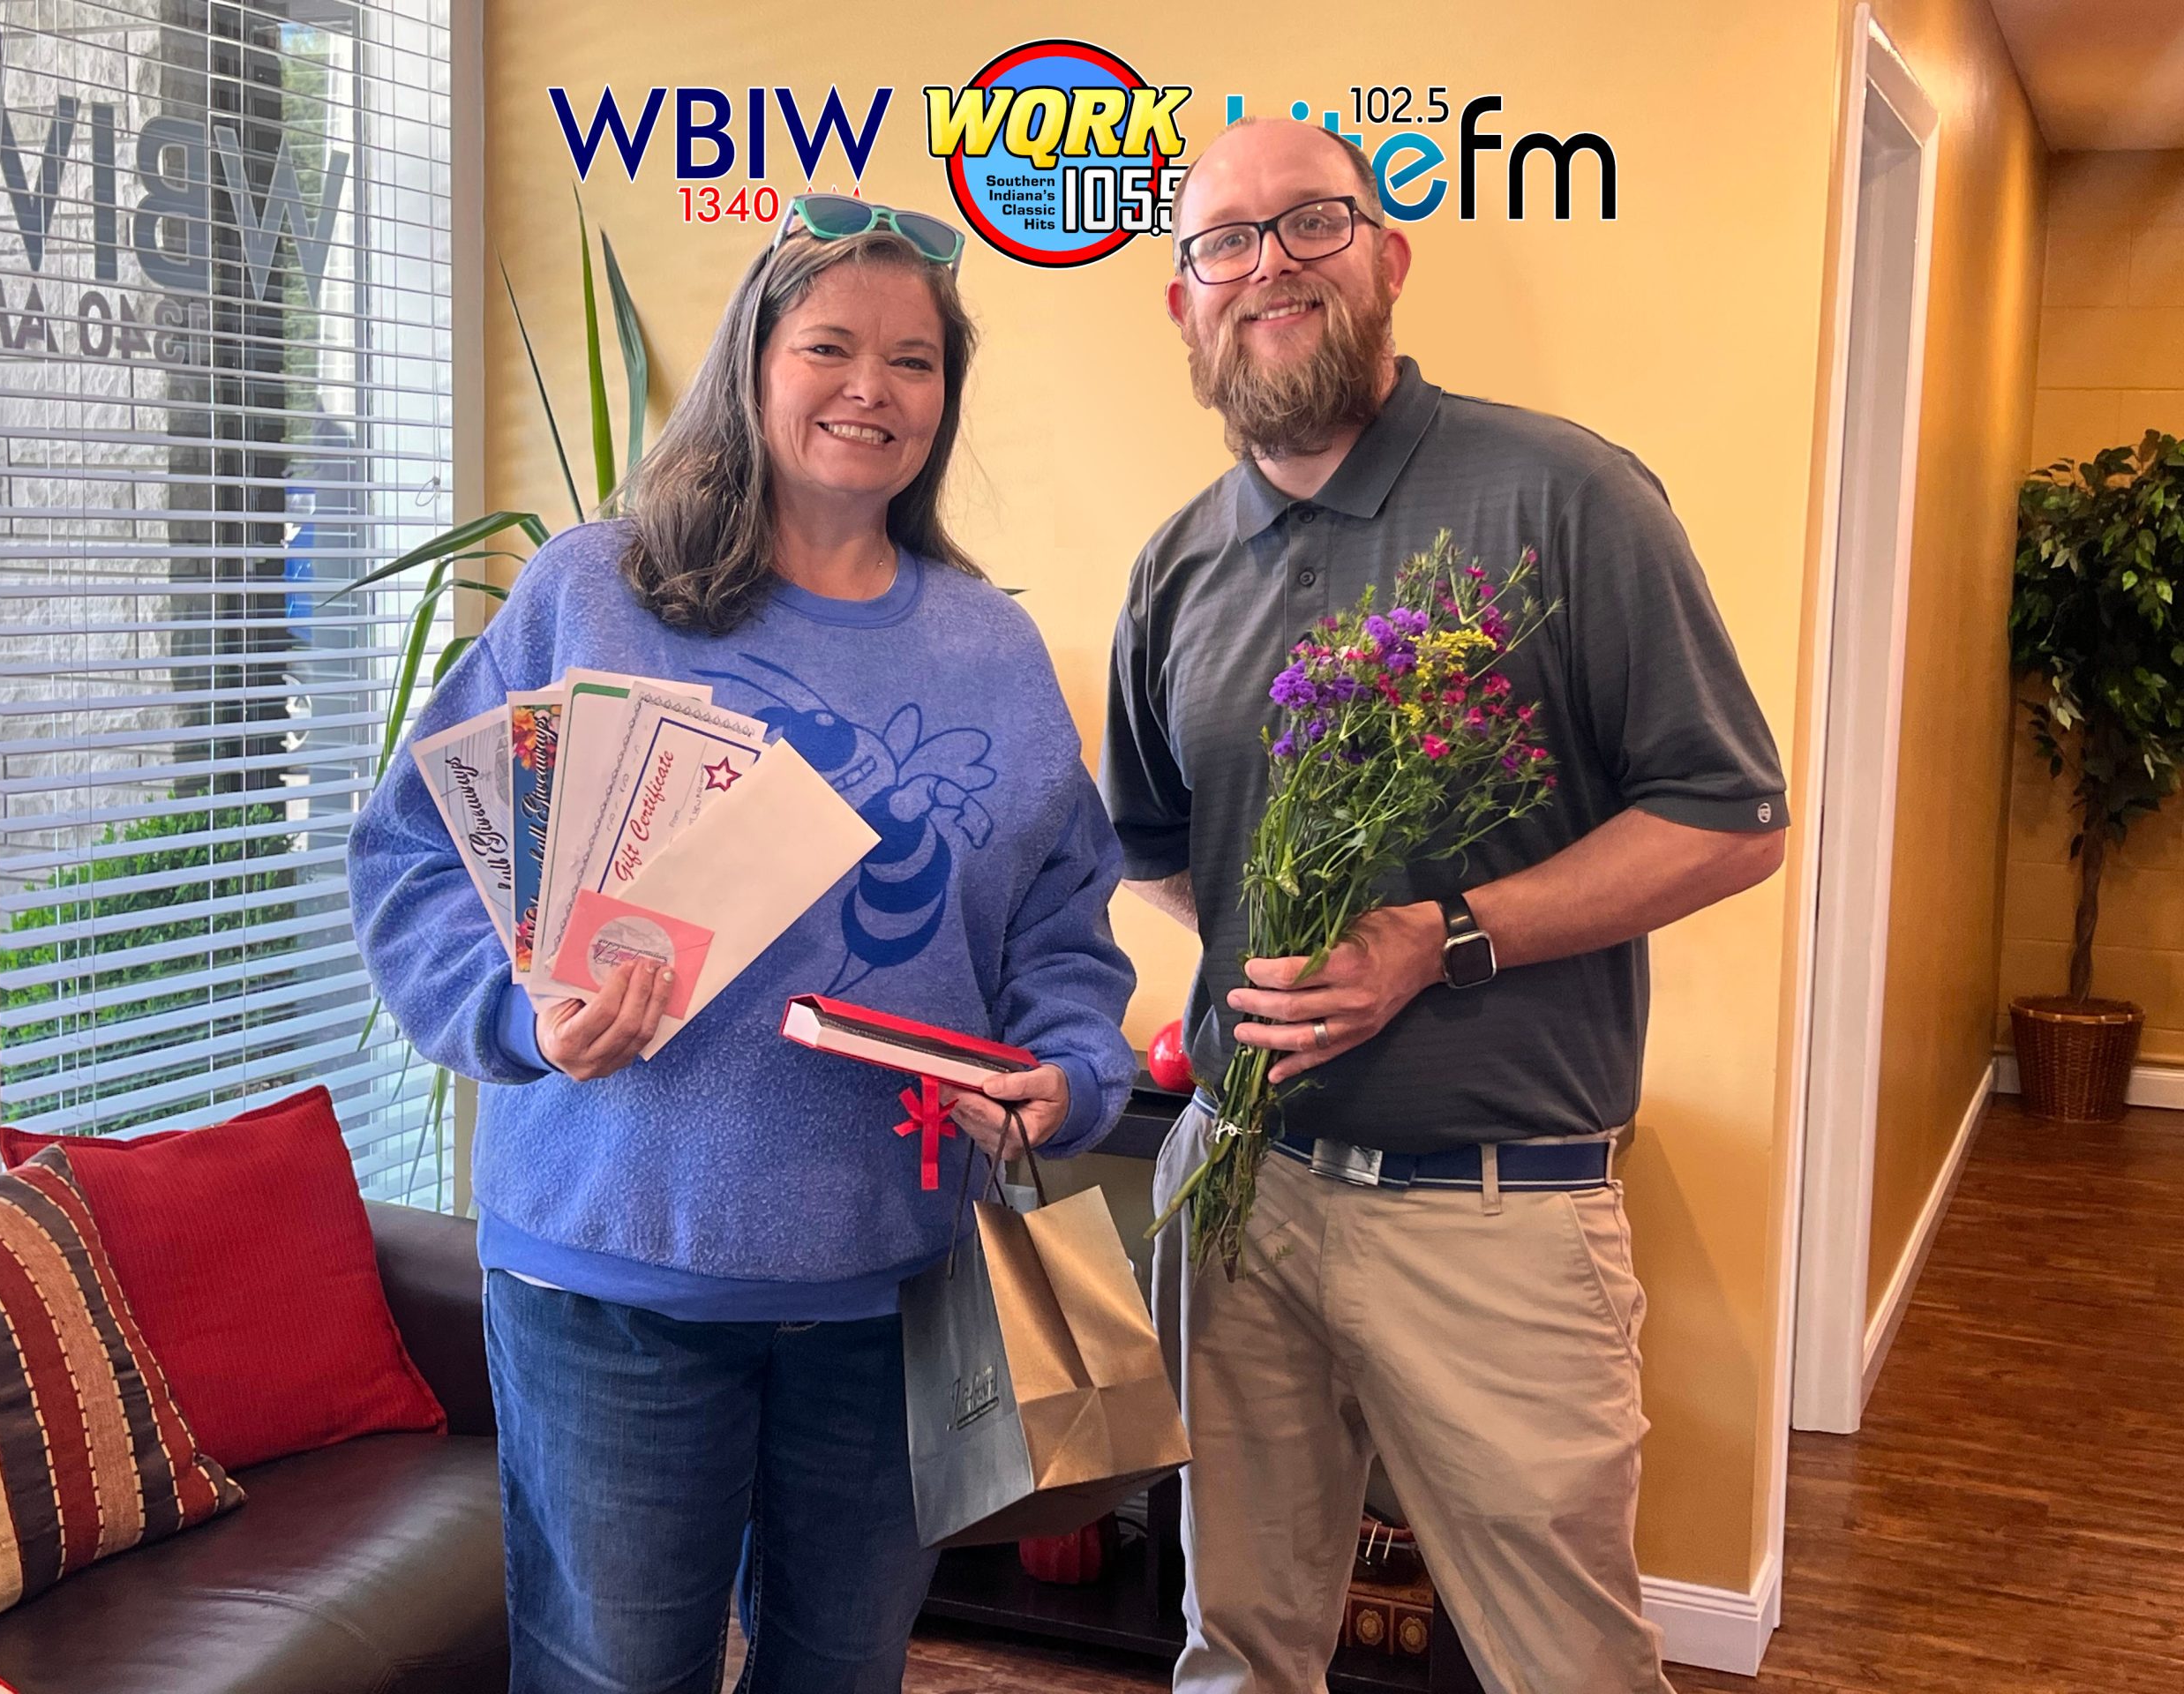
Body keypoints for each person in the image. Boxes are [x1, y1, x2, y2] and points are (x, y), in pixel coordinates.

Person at [349, 198, 1137, 1694]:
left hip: (893, 1281)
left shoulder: (991, 646)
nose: (870, 388)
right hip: (610, 1277)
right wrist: (517, 1016)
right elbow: (415, 856)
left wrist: (1069, 1070)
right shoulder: (594, 591)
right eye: (829, 346)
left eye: (913, 361)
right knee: (614, 1677)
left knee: (844, 1672)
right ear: (752, 363)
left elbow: (1061, 924)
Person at [1102, 119, 1789, 1694]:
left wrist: (1438, 939)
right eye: (1223, 243)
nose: (1268, 267)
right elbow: (1152, 846)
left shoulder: (1565, 497)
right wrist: (1275, 957)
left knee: (1566, 1666)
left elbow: (1730, 817)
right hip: (1241, 1192)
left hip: (1495, 1214)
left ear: (1389, 258)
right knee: (1237, 1646)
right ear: (1184, 302)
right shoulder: (1178, 565)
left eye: (1313, 224)